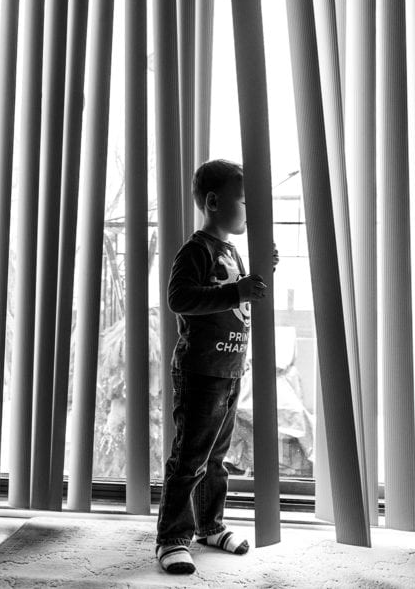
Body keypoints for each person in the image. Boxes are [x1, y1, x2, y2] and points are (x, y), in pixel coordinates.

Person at [155, 159, 277, 575]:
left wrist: (261, 272)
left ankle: (210, 525)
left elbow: (240, 298)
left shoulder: (231, 251)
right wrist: (235, 289)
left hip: (229, 368)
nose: (250, 210)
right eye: (244, 201)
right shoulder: (197, 250)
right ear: (213, 201)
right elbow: (180, 298)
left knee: (217, 458)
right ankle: (172, 538)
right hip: (201, 370)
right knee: (190, 458)